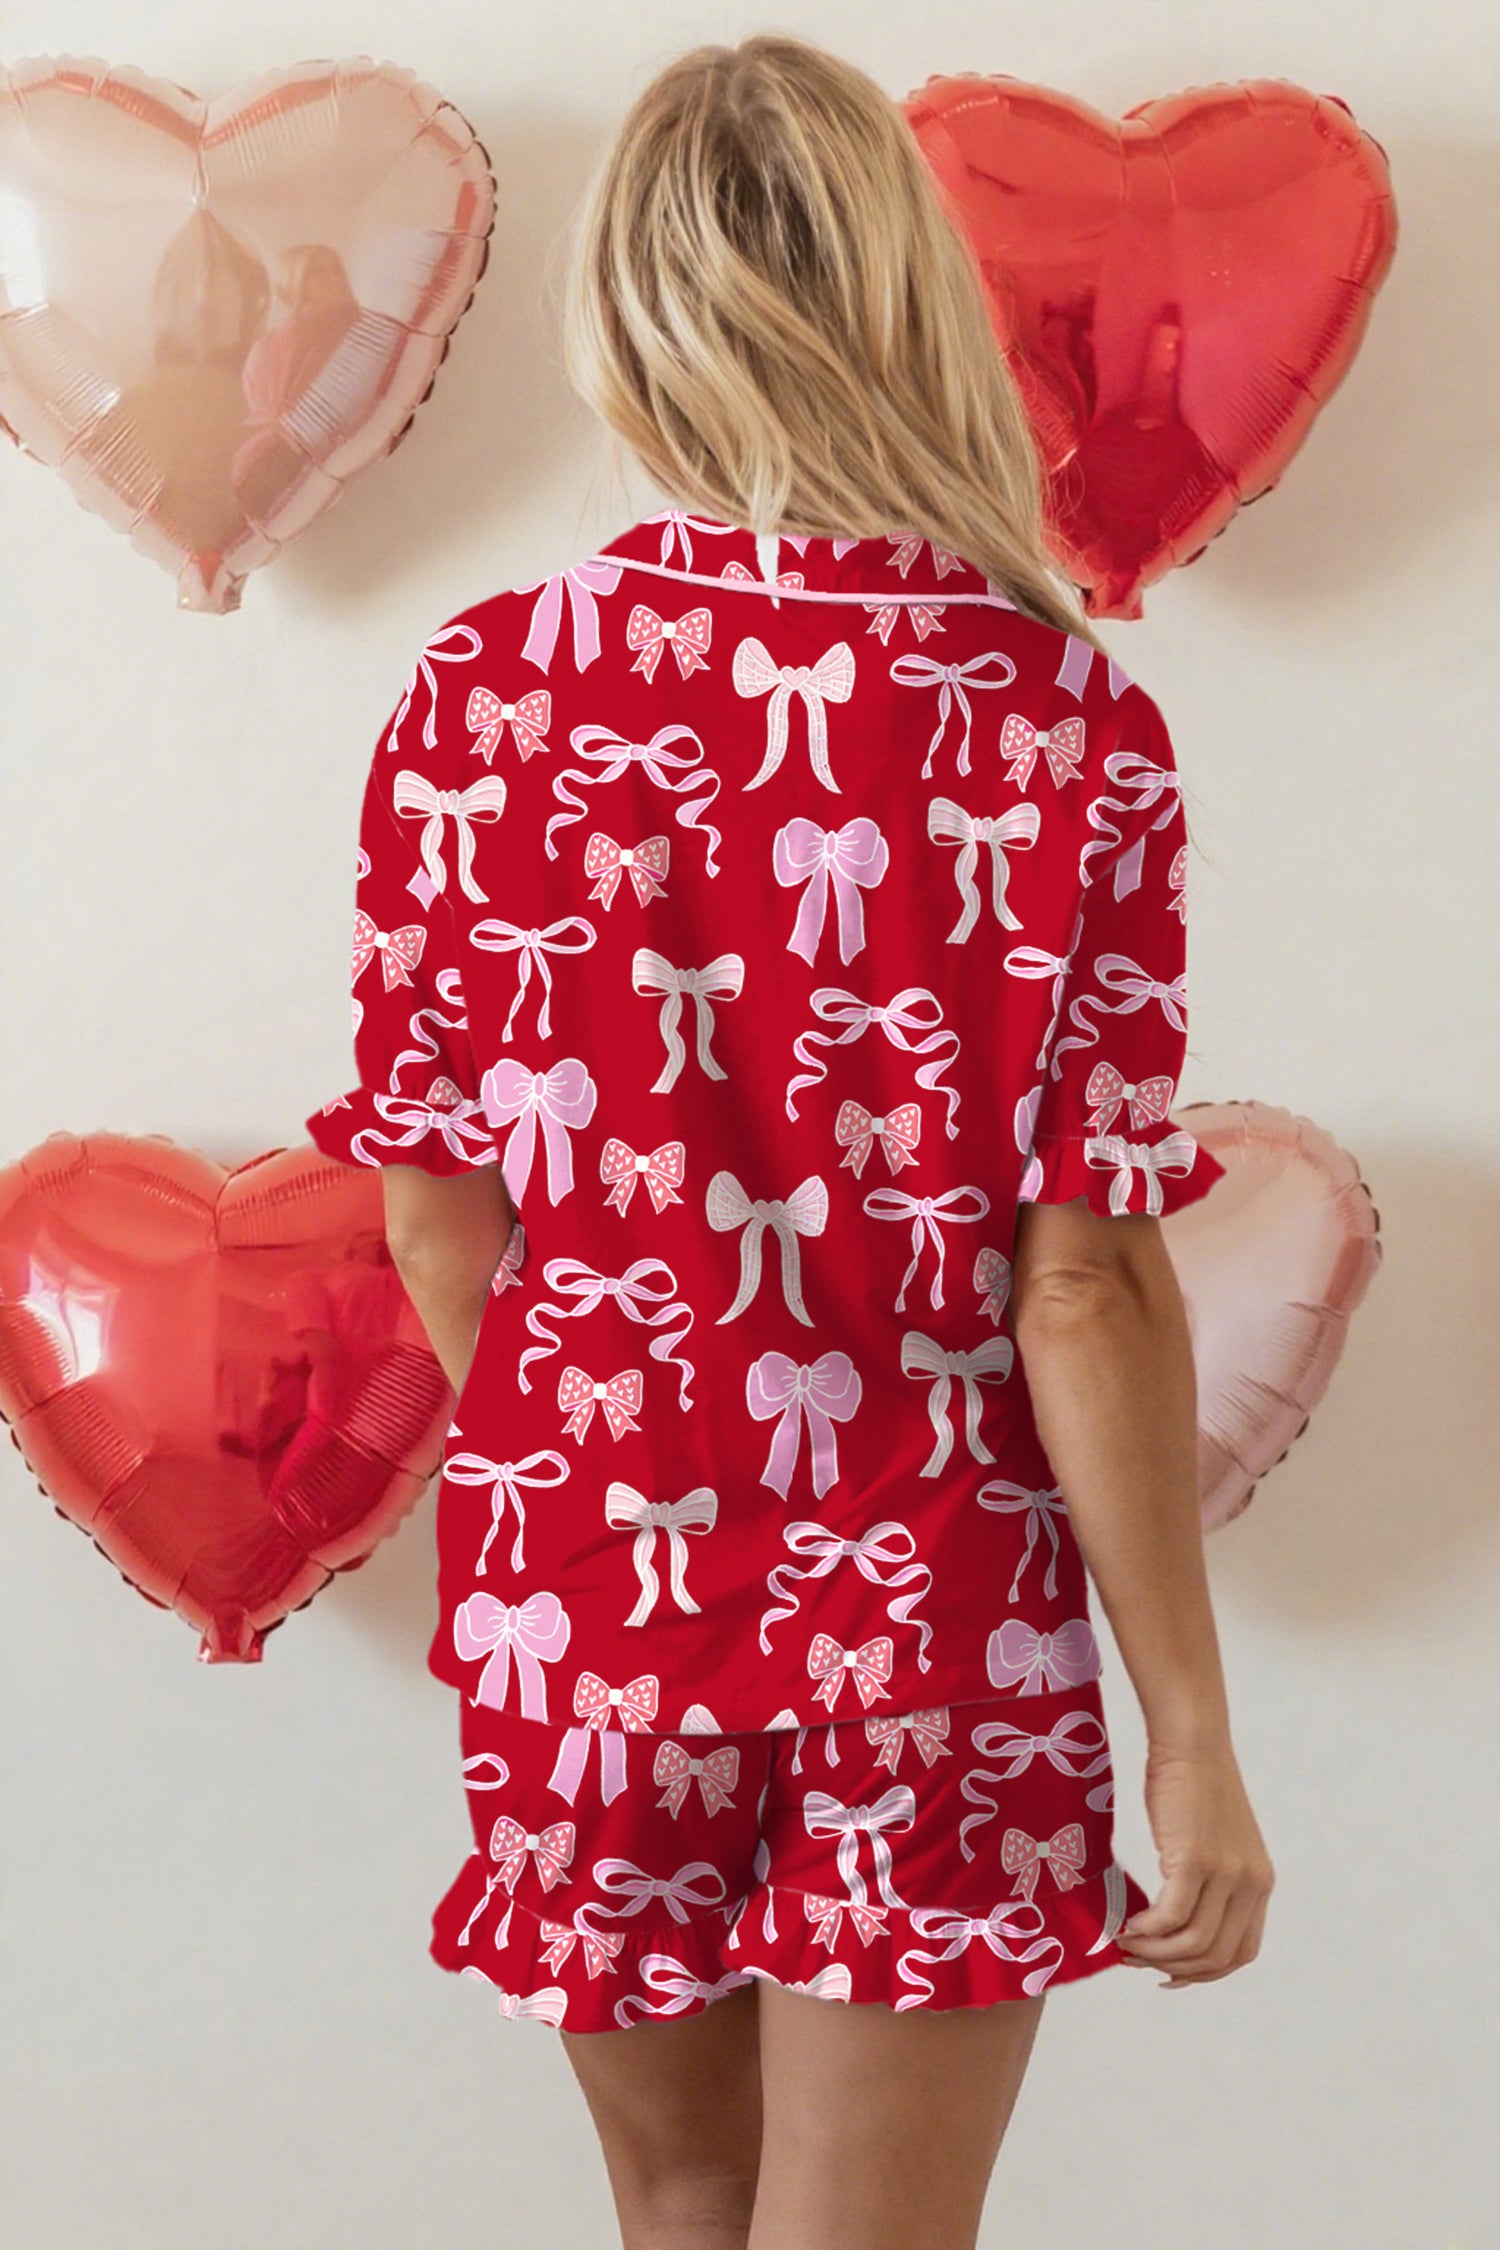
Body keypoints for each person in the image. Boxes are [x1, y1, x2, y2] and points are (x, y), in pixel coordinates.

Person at [303, 33, 1273, 2250]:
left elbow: (441, 1219)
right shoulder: (1061, 721)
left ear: (625, 314)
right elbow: (1082, 1282)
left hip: (588, 1590)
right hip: (933, 1610)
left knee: (681, 2198)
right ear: (910, 296)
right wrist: (1190, 1729)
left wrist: (589, 1470)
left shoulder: (487, 693)